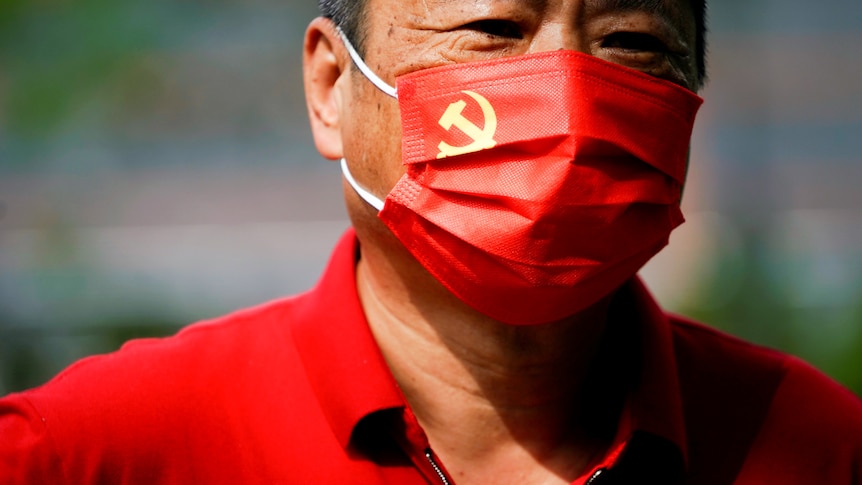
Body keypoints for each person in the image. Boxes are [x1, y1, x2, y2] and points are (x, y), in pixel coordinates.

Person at [2, 0, 861, 483]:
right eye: (493, 31)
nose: (566, 94)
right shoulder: (85, 454)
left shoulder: (816, 448)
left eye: (630, 45)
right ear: (332, 88)